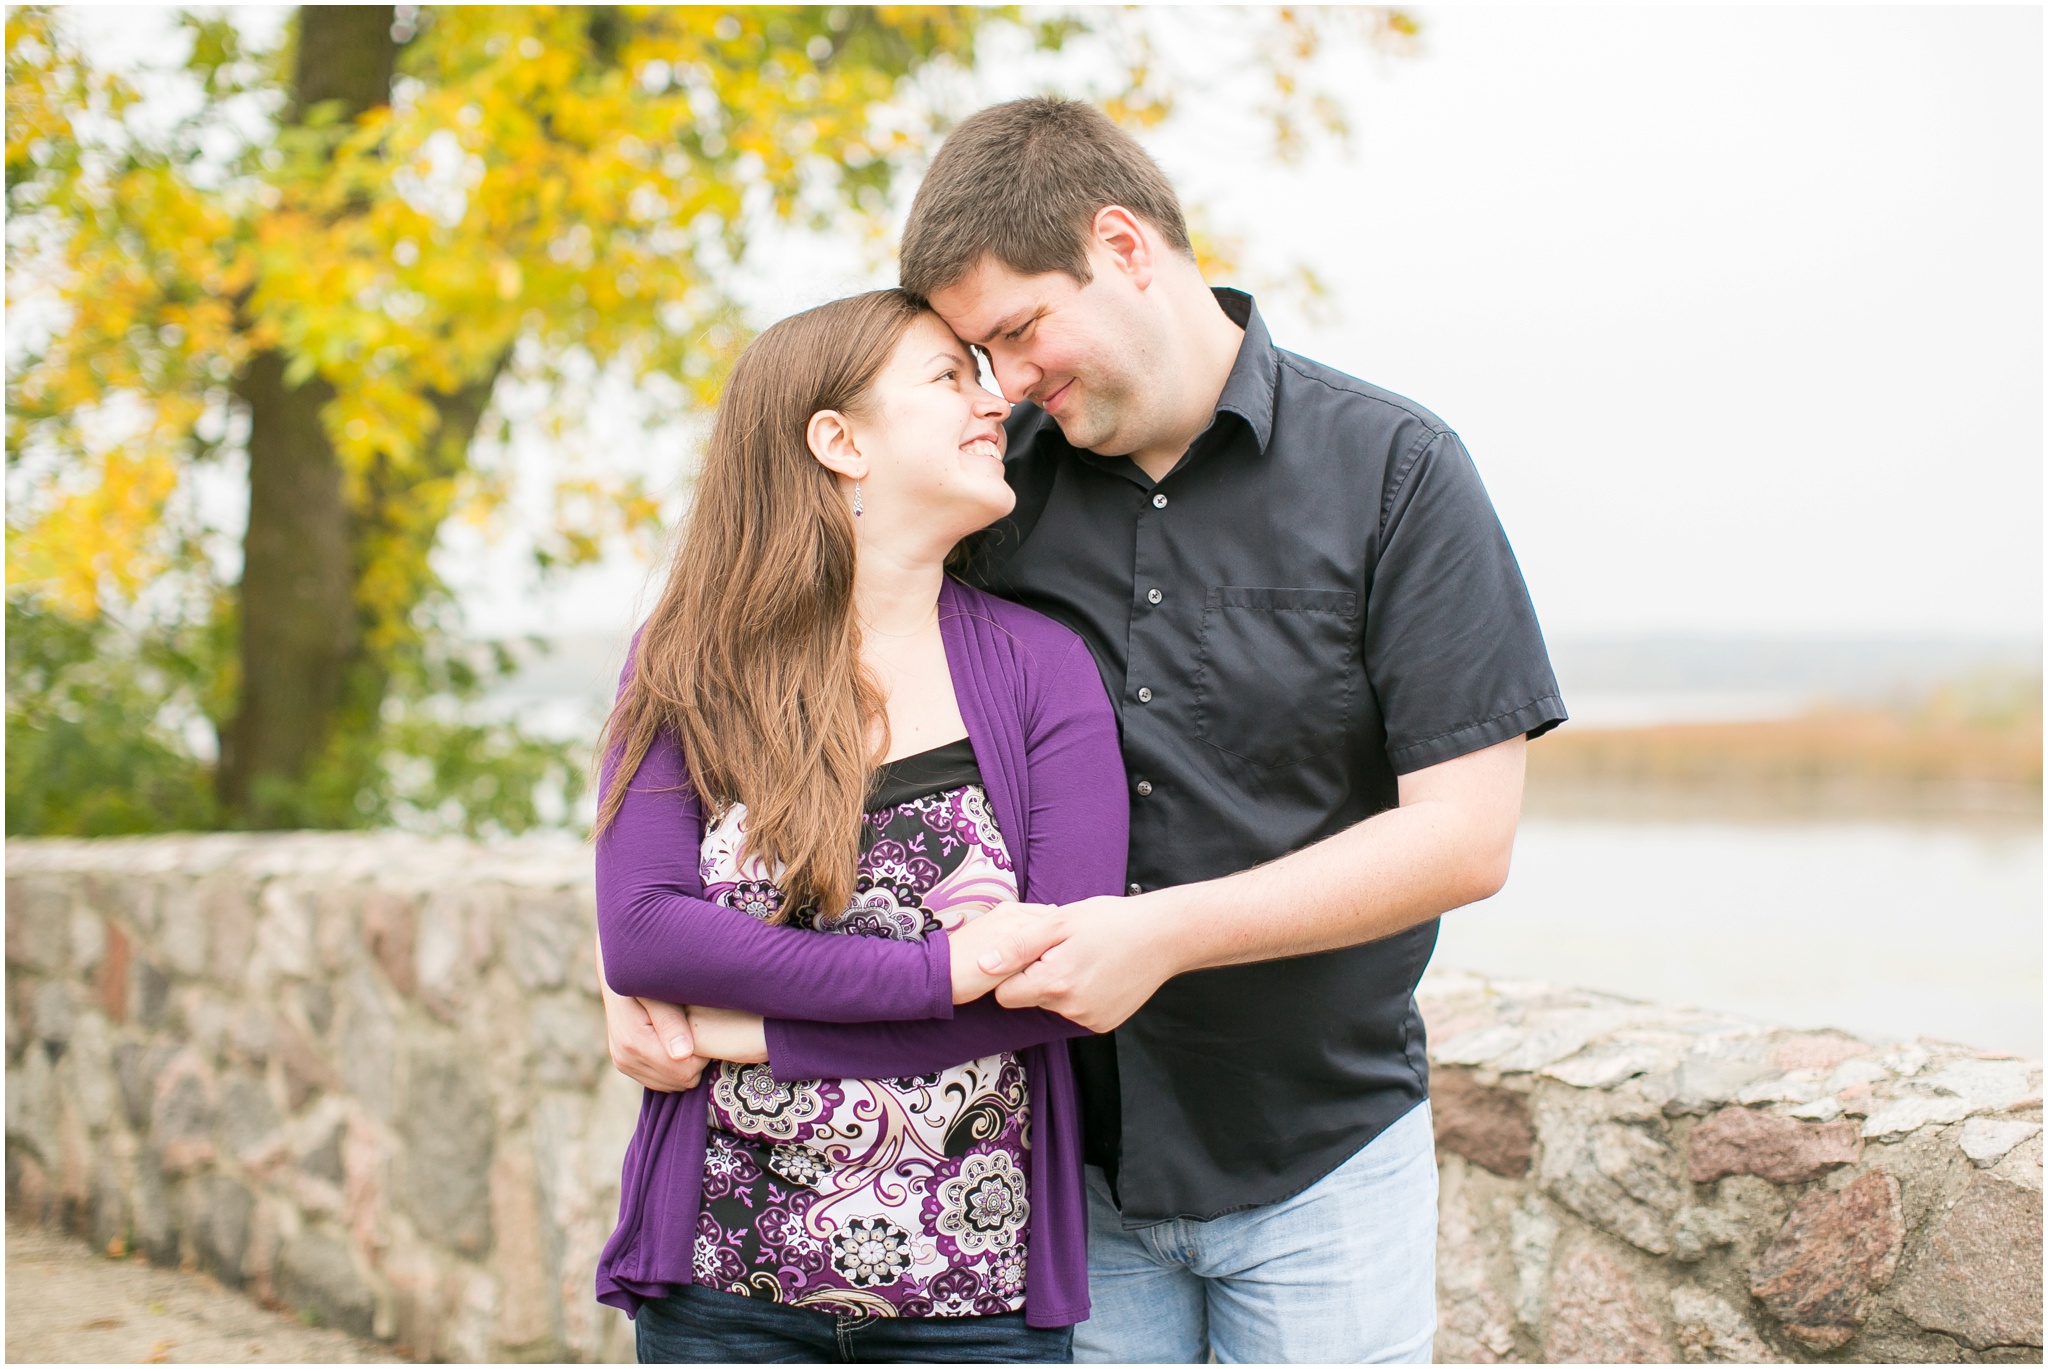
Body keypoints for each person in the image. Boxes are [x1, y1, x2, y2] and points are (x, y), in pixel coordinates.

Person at [605, 97, 1566, 1364]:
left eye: (1013, 332)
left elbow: (1460, 840)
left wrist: (1158, 934)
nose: (1006, 383)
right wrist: (633, 969)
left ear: (1122, 247)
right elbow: (749, 737)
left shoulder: (1393, 470)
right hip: (1065, 1171)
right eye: (972, 359)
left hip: (1314, 1150)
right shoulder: (996, 490)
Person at [590, 288, 1128, 1363]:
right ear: (837, 440)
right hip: (719, 1293)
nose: (995, 404)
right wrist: (941, 973)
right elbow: (644, 932)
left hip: (972, 1309)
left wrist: (750, 1034)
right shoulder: (689, 656)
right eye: (949, 378)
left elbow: (1065, 989)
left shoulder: (1039, 667)